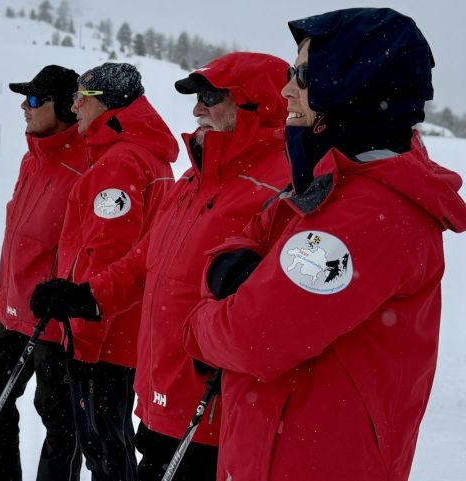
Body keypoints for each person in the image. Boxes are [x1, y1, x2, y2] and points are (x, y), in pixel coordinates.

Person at [183, 8, 466, 481]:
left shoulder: (369, 214)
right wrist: (231, 270)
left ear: (354, 83)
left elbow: (253, 339)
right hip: (272, 450)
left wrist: (200, 326)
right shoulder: (333, 181)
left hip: (312, 460)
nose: (287, 89)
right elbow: (249, 237)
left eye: (304, 75)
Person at [33, 52, 291, 481]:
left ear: (257, 104)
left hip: (215, 415)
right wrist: (88, 298)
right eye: (196, 98)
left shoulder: (280, 187)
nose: (196, 109)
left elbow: (278, 312)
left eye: (210, 96)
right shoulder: (195, 178)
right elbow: (143, 262)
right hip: (161, 398)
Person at [30, 62, 179, 481]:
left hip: (106, 335)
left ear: (107, 105)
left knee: (104, 448)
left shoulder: (121, 162)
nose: (74, 107)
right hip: (122, 329)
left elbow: (104, 256)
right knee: (109, 445)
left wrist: (84, 346)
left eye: (82, 99)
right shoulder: (137, 156)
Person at [0, 65, 87, 481]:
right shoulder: (31, 159)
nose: (24, 106)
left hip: (52, 322)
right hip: (9, 310)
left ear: (65, 109)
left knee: (61, 423)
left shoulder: (86, 165)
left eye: (35, 100)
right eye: (25, 97)